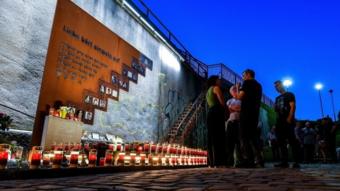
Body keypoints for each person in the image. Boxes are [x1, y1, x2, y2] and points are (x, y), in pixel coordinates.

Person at [236, 69, 263, 168]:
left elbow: (239, 97)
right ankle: (259, 160)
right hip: (255, 113)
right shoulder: (259, 85)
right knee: (254, 137)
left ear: (248, 74)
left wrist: (237, 88)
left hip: (246, 112)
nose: (242, 77)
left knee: (244, 136)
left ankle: (249, 160)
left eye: (243, 75)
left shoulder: (247, 83)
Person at [273, 80, 300, 168]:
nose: (277, 87)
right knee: (281, 142)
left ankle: (296, 162)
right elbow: (276, 110)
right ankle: (284, 162)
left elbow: (293, 106)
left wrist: (289, 117)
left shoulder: (289, 94)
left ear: (282, 85)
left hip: (288, 121)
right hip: (279, 122)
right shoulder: (277, 98)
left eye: (278, 85)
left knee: (292, 141)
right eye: (275, 86)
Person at [206, 75, 226, 167]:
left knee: (211, 138)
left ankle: (211, 162)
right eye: (218, 80)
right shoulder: (216, 88)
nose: (220, 81)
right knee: (219, 137)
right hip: (217, 112)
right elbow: (222, 102)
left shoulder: (208, 91)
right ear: (215, 81)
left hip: (210, 113)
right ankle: (219, 162)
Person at [225, 85, 242, 167]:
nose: (235, 91)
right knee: (229, 143)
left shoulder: (241, 100)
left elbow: (240, 109)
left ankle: (239, 161)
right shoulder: (229, 101)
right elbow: (229, 111)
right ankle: (229, 161)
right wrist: (236, 109)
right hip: (230, 122)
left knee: (239, 142)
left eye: (236, 90)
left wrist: (234, 108)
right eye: (233, 90)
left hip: (239, 122)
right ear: (231, 92)